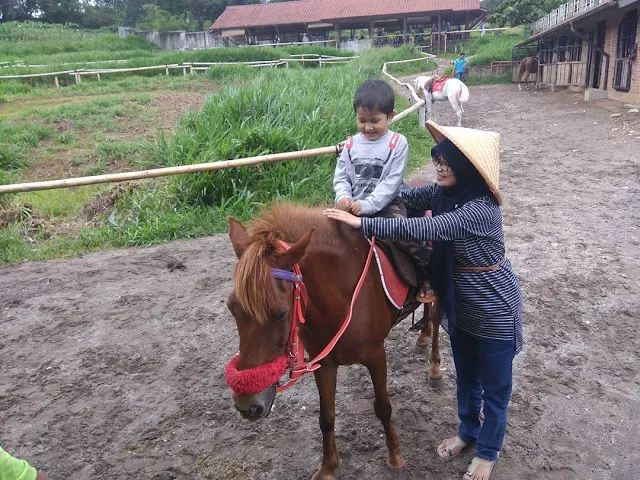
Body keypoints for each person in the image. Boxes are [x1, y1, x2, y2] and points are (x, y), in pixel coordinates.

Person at [324, 121, 523, 480]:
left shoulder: (480, 209)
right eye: (438, 160)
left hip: (493, 307)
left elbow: (423, 229)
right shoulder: (443, 194)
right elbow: (397, 196)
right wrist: (360, 186)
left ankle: (489, 452)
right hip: (460, 305)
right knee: (466, 378)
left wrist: (363, 226)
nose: (440, 167)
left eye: (448, 162)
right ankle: (467, 433)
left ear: (469, 169)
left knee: (495, 387)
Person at [333, 79, 434, 302]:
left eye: (375, 121)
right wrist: (343, 197)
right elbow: (341, 176)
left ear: (390, 116)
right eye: (362, 120)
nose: (368, 127)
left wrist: (367, 205)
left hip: (386, 205)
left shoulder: (398, 143)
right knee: (324, 232)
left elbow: (392, 182)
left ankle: (429, 272)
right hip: (352, 206)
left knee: (403, 234)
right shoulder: (350, 145)